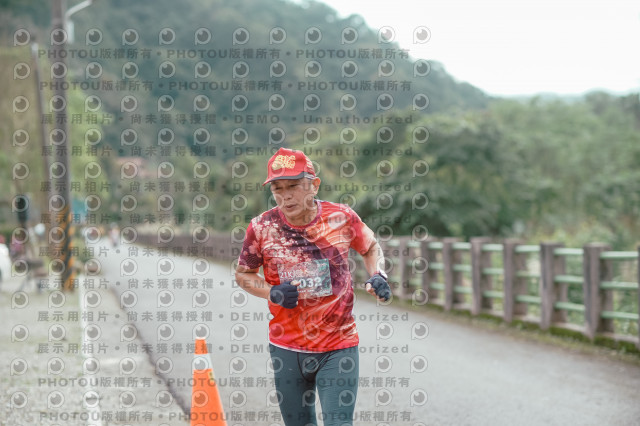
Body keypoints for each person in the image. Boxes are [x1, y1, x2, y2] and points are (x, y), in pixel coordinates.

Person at [235, 147, 391, 426]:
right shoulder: (261, 227)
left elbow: (370, 247)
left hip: (338, 345)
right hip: (286, 347)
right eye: (278, 189)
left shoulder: (341, 217)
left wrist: (378, 274)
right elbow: (244, 274)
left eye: (293, 186)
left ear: (314, 185)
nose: (286, 196)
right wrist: (272, 292)